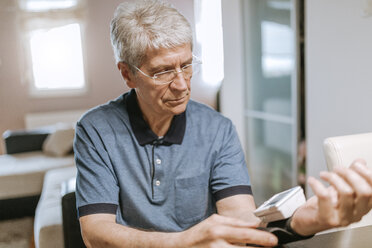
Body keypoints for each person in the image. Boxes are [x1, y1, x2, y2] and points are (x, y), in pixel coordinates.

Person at [73, 1, 372, 247]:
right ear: (128, 74)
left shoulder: (218, 129)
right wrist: (184, 241)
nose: (181, 85)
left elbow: (239, 217)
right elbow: (96, 233)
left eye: (187, 65)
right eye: (163, 72)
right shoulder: (95, 130)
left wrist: (299, 222)